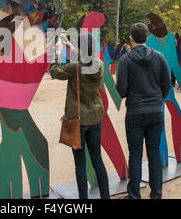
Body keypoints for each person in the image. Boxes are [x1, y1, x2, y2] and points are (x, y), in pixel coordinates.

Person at [49, 32, 110, 199]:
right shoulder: (99, 65)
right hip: (95, 117)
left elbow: (54, 72)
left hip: (78, 120)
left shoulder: (74, 67)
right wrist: (72, 48)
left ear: (82, 48)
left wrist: (57, 52)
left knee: (80, 164)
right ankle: (106, 196)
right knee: (98, 161)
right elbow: (87, 59)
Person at [116, 23, 171, 199]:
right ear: (146, 37)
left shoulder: (125, 60)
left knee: (135, 154)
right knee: (154, 153)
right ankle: (157, 193)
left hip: (135, 112)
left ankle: (134, 195)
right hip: (155, 110)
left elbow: (122, 91)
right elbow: (166, 84)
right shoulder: (159, 57)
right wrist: (157, 98)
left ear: (131, 38)